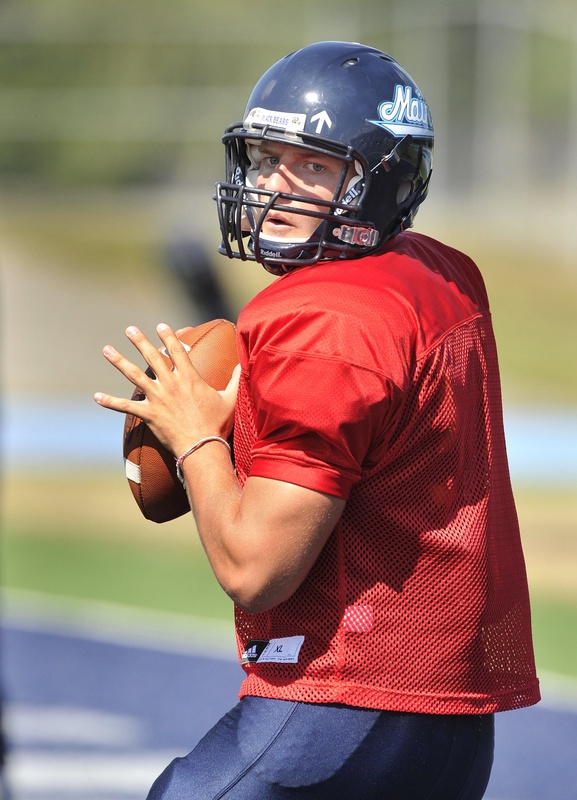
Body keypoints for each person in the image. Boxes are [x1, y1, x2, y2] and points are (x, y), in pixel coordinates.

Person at [95, 41, 540, 799]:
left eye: (309, 167)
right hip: (450, 726)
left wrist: (194, 433)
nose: (271, 186)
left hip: (340, 704)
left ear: (380, 180)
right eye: (264, 160)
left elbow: (256, 571)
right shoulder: (441, 270)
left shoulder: (322, 316)